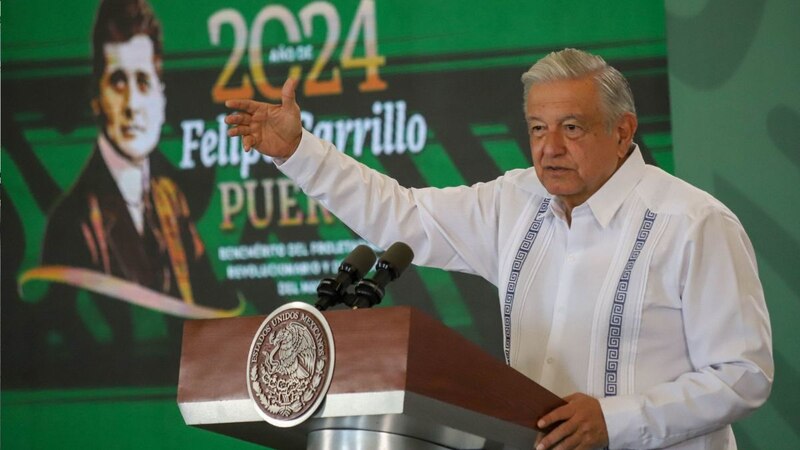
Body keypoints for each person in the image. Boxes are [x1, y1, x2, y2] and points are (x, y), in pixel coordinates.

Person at [225, 49, 773, 449]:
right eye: (537, 128)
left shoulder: (693, 223)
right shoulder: (516, 202)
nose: (549, 148)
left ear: (623, 130)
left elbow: (741, 374)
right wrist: (299, 153)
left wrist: (616, 420)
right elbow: (401, 216)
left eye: (572, 127)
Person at [39, 0, 232, 385]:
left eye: (143, 81)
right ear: (97, 97)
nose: (131, 105)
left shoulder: (168, 197)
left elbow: (208, 304)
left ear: (161, 97)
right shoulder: (72, 222)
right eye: (117, 82)